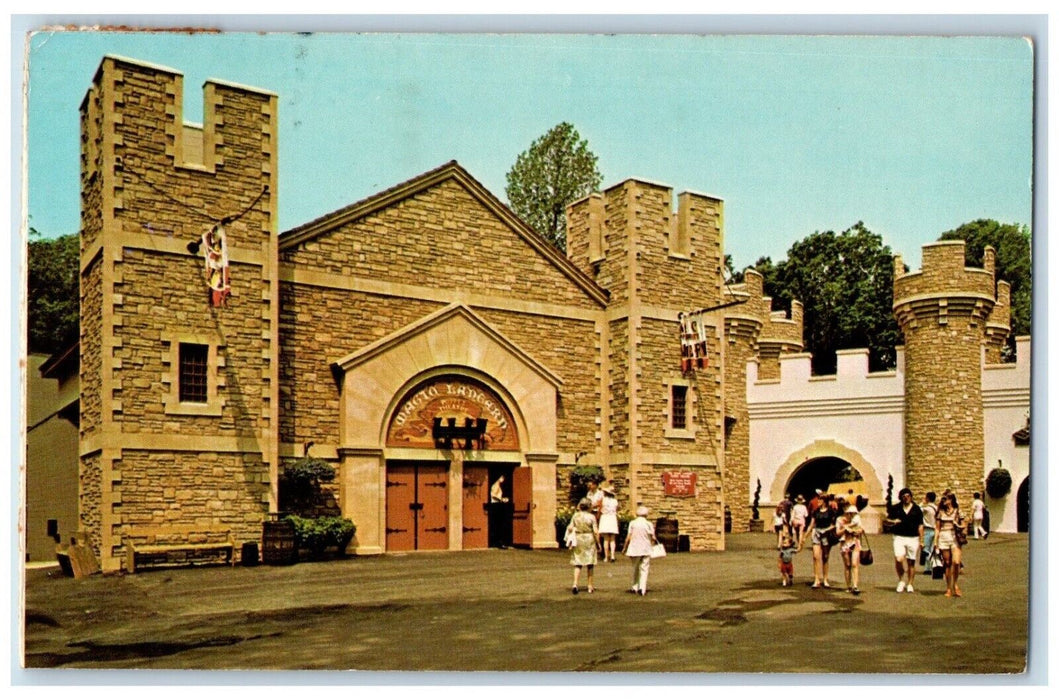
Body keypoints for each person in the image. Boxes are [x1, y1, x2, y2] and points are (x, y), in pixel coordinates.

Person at [885, 487, 924, 593]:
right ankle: (901, 580)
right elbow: (886, 520)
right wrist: (893, 522)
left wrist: (921, 540)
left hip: (913, 537)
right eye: (904, 497)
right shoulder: (896, 508)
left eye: (908, 496)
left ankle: (910, 583)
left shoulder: (917, 509)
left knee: (911, 561)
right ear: (901, 498)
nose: (906, 498)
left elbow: (920, 525)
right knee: (899, 558)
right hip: (899, 536)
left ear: (911, 497)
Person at [802, 492, 838, 588]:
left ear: (824, 501)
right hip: (817, 533)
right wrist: (805, 536)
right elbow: (811, 524)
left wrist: (827, 530)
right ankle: (816, 579)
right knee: (815, 556)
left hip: (826, 534)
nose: (818, 501)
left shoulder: (831, 511)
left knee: (825, 557)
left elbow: (834, 524)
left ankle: (825, 579)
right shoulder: (816, 511)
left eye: (820, 500)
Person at [565, 498, 600, 594]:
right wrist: (598, 543)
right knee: (590, 563)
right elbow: (596, 531)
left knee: (578, 563)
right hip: (589, 538)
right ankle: (590, 585)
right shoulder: (592, 517)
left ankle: (575, 583)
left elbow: (570, 527)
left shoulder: (576, 516)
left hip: (579, 538)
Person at [935, 492, 965, 597]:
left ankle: (955, 584)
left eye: (946, 499)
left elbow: (964, 524)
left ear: (951, 500)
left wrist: (958, 525)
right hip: (943, 537)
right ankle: (948, 587)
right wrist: (935, 542)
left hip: (954, 537)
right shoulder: (940, 512)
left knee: (956, 562)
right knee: (947, 564)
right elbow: (937, 528)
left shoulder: (958, 511)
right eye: (943, 499)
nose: (944, 501)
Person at [622, 505, 656, 596]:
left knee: (635, 568)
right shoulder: (649, 524)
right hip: (646, 548)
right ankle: (642, 588)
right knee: (644, 569)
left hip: (634, 548)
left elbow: (628, 537)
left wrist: (624, 548)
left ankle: (635, 586)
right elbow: (653, 537)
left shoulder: (633, 523)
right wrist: (652, 545)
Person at [836, 504, 864, 595]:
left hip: (855, 541)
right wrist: (845, 529)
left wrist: (856, 531)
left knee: (854, 564)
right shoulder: (839, 520)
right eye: (848, 513)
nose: (850, 515)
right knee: (847, 565)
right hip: (844, 543)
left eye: (852, 513)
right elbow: (837, 533)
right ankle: (848, 586)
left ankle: (855, 586)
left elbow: (861, 529)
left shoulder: (856, 519)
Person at [597, 485, 620, 562]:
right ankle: (612, 555)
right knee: (613, 539)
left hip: (605, 518)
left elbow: (600, 510)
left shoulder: (603, 500)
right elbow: (616, 510)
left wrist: (598, 517)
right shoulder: (615, 501)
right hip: (612, 518)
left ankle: (606, 557)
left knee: (606, 539)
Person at [920, 491, 938, 572]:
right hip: (935, 529)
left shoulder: (926, 509)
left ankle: (928, 568)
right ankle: (933, 565)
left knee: (926, 549)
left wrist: (922, 502)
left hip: (927, 529)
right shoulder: (937, 508)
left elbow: (917, 509)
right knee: (932, 548)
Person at [777, 517, 797, 587]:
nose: (784, 544)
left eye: (785, 543)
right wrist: (779, 563)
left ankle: (790, 578)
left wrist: (800, 546)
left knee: (790, 573)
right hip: (784, 563)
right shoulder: (782, 550)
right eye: (783, 543)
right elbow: (780, 557)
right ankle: (784, 581)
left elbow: (796, 551)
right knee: (784, 573)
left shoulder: (790, 550)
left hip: (789, 563)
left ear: (789, 544)